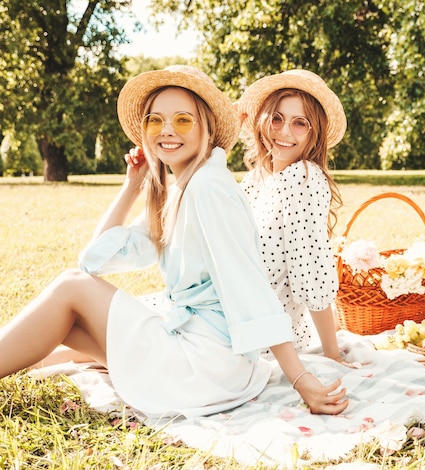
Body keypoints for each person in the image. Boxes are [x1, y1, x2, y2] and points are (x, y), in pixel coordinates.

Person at [0, 65, 348, 417]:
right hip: (203, 355)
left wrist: (300, 377)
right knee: (71, 318)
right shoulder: (182, 187)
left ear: (206, 128)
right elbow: (95, 260)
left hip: (208, 362)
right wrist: (131, 187)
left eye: (182, 120)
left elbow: (248, 287)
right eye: (155, 121)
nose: (167, 130)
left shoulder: (208, 188)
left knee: (69, 288)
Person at [236, 70, 347, 363]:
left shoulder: (304, 178)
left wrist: (332, 354)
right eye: (276, 118)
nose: (284, 132)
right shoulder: (256, 181)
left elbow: (312, 272)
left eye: (300, 123)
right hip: (232, 314)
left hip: (261, 337)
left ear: (314, 134)